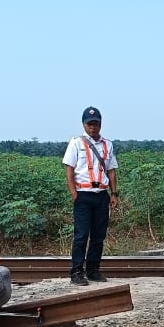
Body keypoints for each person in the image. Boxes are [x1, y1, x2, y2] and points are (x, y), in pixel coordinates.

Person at [63, 106, 119, 286]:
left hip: (101, 195)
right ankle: (76, 272)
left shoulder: (107, 144)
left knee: (98, 236)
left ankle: (93, 270)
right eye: (89, 124)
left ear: (100, 124)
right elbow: (69, 169)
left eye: (95, 124)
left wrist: (114, 193)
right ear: (84, 124)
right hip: (83, 196)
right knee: (81, 236)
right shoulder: (76, 143)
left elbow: (111, 171)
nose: (92, 127)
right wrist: (73, 193)